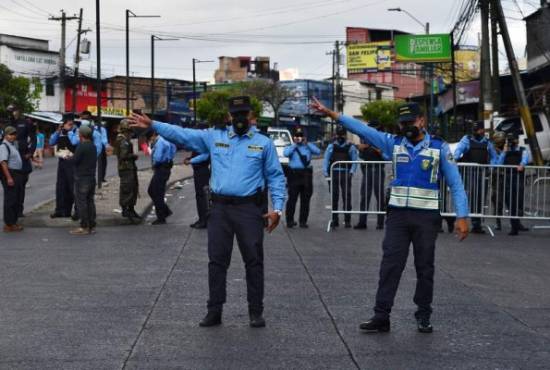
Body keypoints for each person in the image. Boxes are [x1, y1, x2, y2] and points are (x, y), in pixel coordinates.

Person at [311, 99, 469, 334]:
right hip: (397, 217)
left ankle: (423, 314)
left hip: (426, 218)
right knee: (390, 266)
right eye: (403, 122)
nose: (407, 126)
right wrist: (331, 114)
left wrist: (462, 216)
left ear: (422, 121)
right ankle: (381, 315)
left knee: (425, 267)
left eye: (411, 121)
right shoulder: (393, 144)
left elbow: (455, 183)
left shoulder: (439, 148)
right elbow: (362, 129)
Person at [127, 96, 286, 328]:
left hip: (249, 209)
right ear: (230, 116)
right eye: (236, 114)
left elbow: (275, 176)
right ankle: (214, 310)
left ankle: (255, 311)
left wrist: (278, 209)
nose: (240, 118)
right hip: (220, 209)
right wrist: (154, 125)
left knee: (253, 261)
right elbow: (183, 134)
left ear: (251, 116)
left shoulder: (264, 143)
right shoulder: (214, 138)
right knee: (217, 261)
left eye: (244, 114)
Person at [453, 121, 498, 234]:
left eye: (478, 129)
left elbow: (494, 158)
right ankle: (472, 222)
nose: (476, 132)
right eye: (475, 129)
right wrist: (455, 160)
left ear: (483, 130)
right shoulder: (466, 139)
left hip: (482, 174)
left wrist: (491, 168)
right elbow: (457, 153)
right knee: (472, 196)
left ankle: (477, 223)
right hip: (469, 173)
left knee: (481, 197)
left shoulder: (487, 142)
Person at [283, 126, 320, 228]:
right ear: (294, 137)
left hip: (306, 175)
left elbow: (317, 151)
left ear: (304, 137)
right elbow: (286, 153)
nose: (299, 138)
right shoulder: (291, 146)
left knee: (305, 199)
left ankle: (303, 221)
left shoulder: (307, 146)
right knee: (292, 199)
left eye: (301, 136)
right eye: (297, 136)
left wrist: (306, 143)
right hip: (294, 175)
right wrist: (295, 145)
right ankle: (290, 221)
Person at [495, 133, 530, 236]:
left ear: (517, 140)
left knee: (518, 202)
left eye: (512, 140)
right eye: (509, 140)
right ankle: (514, 226)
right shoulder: (505, 151)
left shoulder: (523, 149)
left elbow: (525, 158)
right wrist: (504, 152)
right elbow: (498, 164)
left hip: (518, 178)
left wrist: (522, 164)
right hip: (507, 179)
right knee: (510, 203)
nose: (511, 142)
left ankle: (517, 224)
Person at [323, 126, 358, 228]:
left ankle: (347, 220)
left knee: (346, 196)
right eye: (338, 134)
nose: (340, 136)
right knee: (334, 197)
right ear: (336, 135)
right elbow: (326, 159)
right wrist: (326, 173)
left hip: (346, 173)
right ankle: (335, 219)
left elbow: (354, 160)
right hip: (333, 173)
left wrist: (351, 172)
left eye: (342, 134)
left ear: (345, 135)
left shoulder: (350, 147)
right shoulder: (332, 146)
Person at [355, 120, 387, 230]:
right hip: (367, 169)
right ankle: (362, 222)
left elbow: (387, 157)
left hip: (378, 169)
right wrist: (361, 149)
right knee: (365, 196)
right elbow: (362, 155)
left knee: (379, 196)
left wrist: (379, 151)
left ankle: (380, 223)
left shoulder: (382, 140)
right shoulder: (365, 139)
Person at [49, 113, 79, 218]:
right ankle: (61, 210)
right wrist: (58, 131)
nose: (63, 124)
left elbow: (75, 142)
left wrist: (70, 131)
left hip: (72, 162)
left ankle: (77, 211)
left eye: (65, 122)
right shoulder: (60, 132)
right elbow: (51, 142)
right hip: (62, 161)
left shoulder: (76, 131)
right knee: (61, 187)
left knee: (73, 187)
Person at [10, 105, 36, 217]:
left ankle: (19, 210)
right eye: (10, 111)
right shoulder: (6, 123)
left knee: (21, 185)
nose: (12, 113)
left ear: (18, 111)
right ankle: (11, 210)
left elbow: (33, 139)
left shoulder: (26, 123)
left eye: (13, 111)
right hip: (9, 157)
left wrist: (30, 153)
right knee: (10, 186)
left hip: (22, 156)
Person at [71, 125, 97, 235]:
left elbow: (75, 160)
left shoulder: (81, 146)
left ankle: (84, 226)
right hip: (91, 177)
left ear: (81, 135)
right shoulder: (93, 146)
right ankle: (91, 225)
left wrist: (69, 157)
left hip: (82, 178)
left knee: (81, 202)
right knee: (90, 201)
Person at [147, 130, 176, 225]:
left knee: (156, 192)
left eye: (150, 138)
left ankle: (161, 216)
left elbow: (158, 158)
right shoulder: (165, 141)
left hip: (161, 168)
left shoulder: (160, 143)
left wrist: (154, 164)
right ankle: (165, 211)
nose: (151, 140)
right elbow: (173, 149)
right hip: (165, 168)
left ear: (154, 135)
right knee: (153, 190)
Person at [114, 119, 141, 223]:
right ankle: (126, 210)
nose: (130, 134)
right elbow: (123, 155)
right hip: (126, 168)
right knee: (127, 188)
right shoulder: (123, 140)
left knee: (133, 188)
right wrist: (133, 156)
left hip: (129, 168)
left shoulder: (123, 139)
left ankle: (131, 209)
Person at [0, 126, 24, 232]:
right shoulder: (4, 146)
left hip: (16, 174)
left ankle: (13, 222)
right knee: (10, 199)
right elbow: (3, 162)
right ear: (6, 135)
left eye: (14, 134)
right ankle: (9, 224)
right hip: (10, 173)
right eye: (11, 134)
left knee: (16, 198)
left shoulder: (12, 145)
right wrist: (9, 177)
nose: (13, 136)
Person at [185, 151, 210, 229]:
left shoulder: (203, 143)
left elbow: (205, 155)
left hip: (202, 171)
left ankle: (204, 221)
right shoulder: (200, 144)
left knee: (202, 196)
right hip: (199, 171)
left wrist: (190, 161)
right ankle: (202, 219)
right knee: (199, 196)